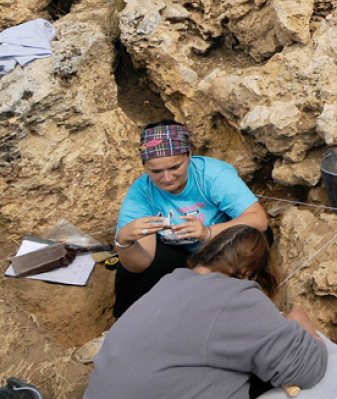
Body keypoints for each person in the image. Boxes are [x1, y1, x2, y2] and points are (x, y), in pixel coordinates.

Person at [83, 225, 337, 399]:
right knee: (328, 358)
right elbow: (309, 369)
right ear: (249, 274)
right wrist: (299, 319)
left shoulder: (171, 283)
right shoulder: (235, 294)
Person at [75, 121, 270, 363]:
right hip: (183, 253)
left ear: (189, 154)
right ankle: (122, 331)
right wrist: (124, 241)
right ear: (144, 166)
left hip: (224, 247)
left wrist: (208, 232)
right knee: (128, 266)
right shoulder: (141, 193)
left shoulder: (212, 175)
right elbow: (140, 264)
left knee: (252, 242)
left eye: (175, 167)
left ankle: (234, 327)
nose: (167, 178)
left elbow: (259, 220)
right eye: (155, 171)